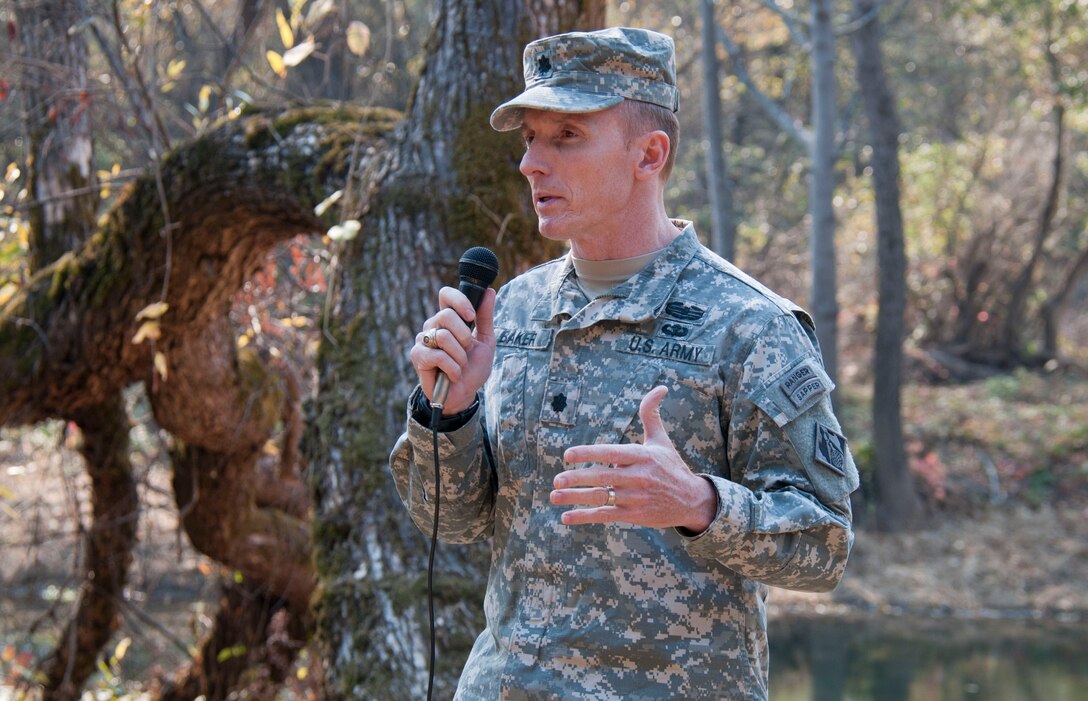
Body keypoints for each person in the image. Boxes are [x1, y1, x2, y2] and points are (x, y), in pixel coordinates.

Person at [389, 26, 858, 700]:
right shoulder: (513, 311)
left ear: (649, 153)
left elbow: (826, 545)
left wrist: (699, 503)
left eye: (567, 136)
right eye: (529, 138)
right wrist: (450, 413)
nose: (531, 163)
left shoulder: (751, 326)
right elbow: (449, 522)